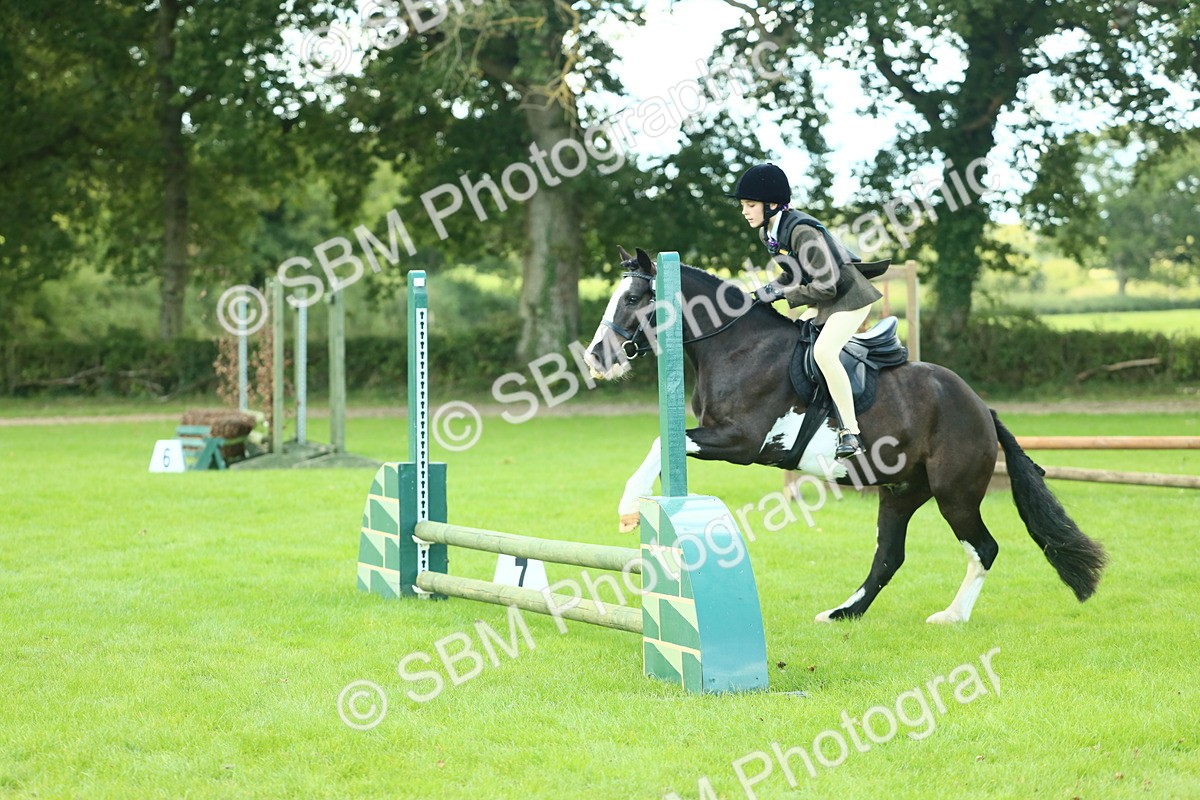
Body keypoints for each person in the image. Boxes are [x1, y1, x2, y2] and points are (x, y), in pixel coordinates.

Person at [728, 163, 883, 459]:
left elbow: (826, 287)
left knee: (823, 352)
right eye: (743, 205)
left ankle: (851, 433)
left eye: (750, 205)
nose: (745, 211)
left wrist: (781, 294)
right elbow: (792, 275)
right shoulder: (769, 233)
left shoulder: (801, 232)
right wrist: (760, 294)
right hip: (826, 299)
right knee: (792, 340)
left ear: (772, 204)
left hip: (850, 298)